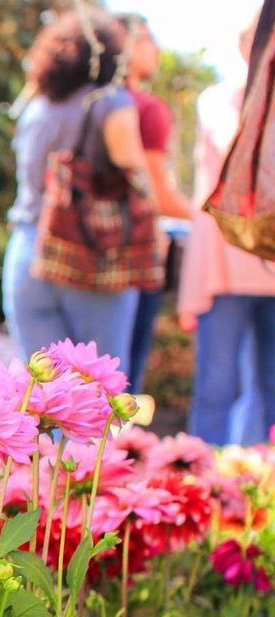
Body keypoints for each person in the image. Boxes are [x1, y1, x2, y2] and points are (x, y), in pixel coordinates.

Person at [1, 9, 151, 374]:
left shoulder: (35, 106)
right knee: (99, 390)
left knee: (40, 397)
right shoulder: (111, 103)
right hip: (89, 258)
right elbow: (139, 183)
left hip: (26, 252)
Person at [177, 14, 275, 445]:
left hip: (268, 269)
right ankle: (207, 487)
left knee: (269, 390)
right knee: (217, 386)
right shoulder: (220, 99)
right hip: (224, 271)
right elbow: (232, 144)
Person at [117, 13, 195, 393]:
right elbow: (156, 194)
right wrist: (210, 220)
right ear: (125, 45)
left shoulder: (74, 100)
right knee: (121, 383)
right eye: (148, 39)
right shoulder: (144, 108)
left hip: (67, 258)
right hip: (131, 258)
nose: (157, 49)